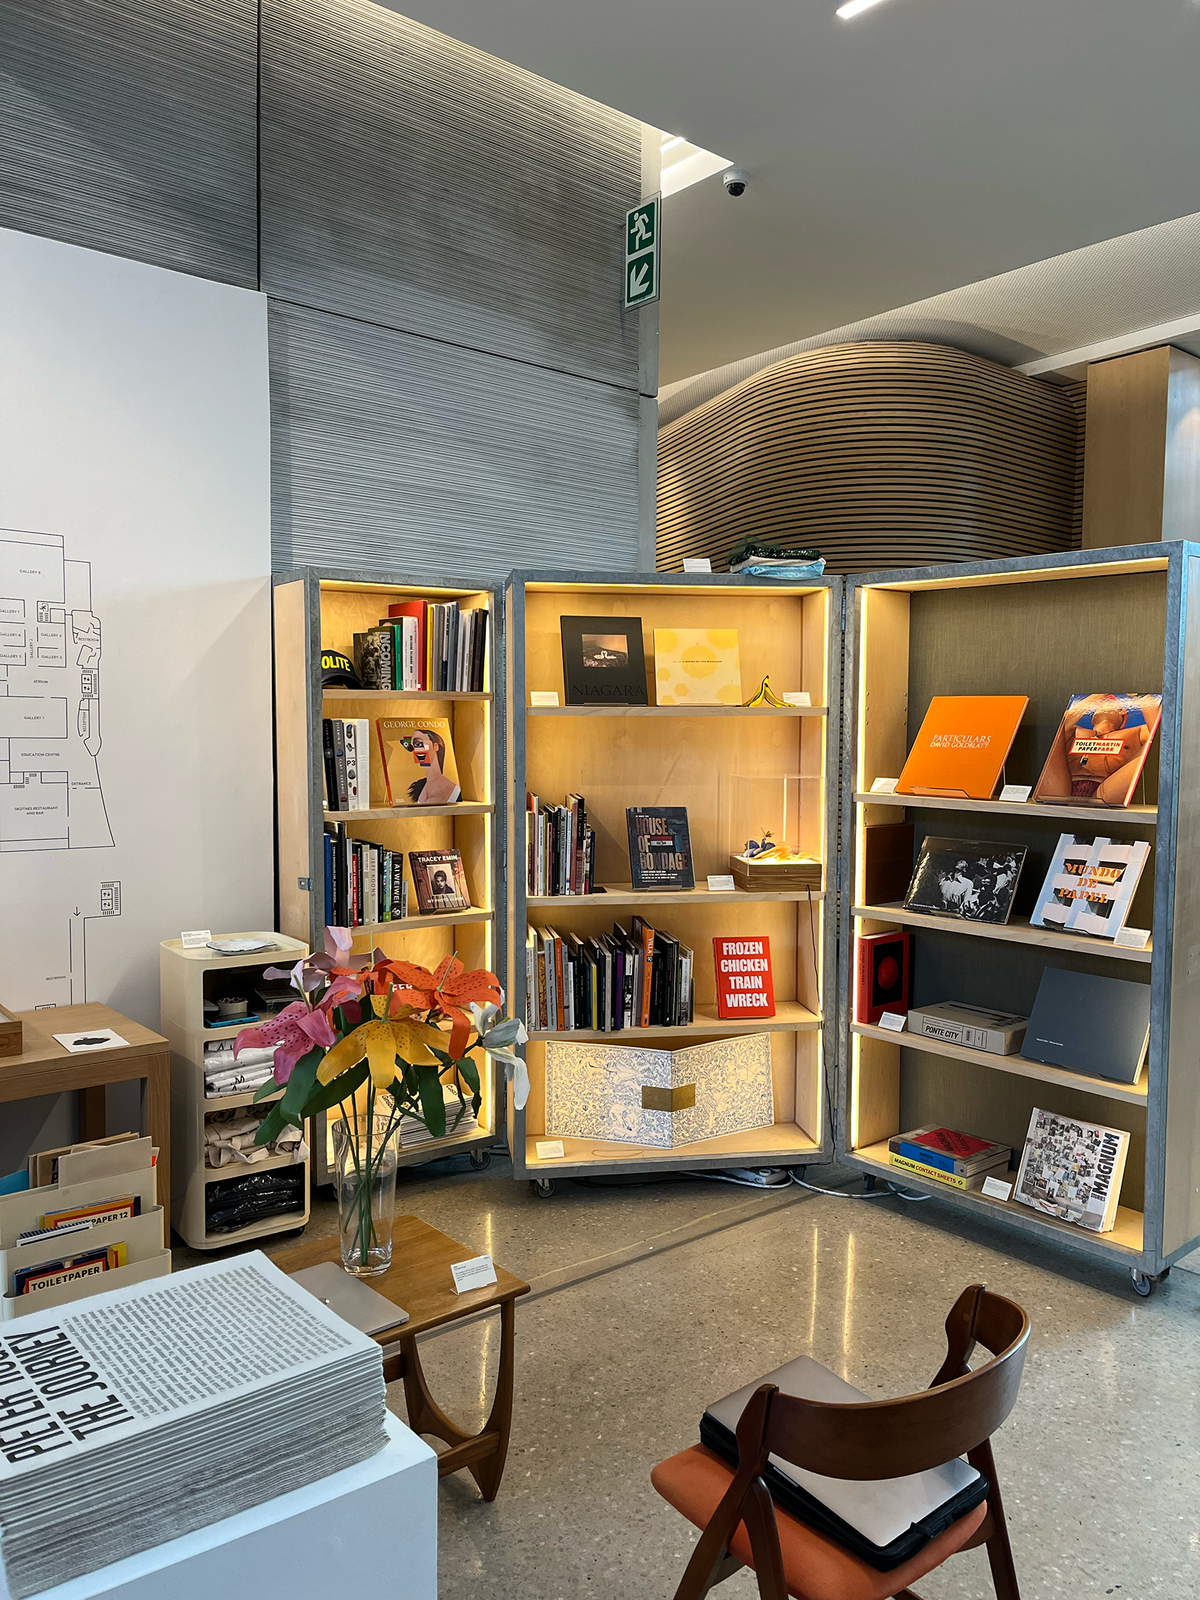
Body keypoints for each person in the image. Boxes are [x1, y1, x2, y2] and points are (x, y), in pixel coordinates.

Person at [1037, 694, 1157, 805]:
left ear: (1122, 711)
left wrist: (1138, 696)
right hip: (1060, 787)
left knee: (1154, 741)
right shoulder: (1074, 730)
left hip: (1106, 793)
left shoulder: (1136, 732)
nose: (1103, 703)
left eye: (1110, 703)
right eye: (1100, 704)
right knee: (1055, 734)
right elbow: (1062, 721)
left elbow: (1163, 736)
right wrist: (1099, 693)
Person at [403, 728, 461, 804]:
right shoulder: (419, 789)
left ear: (435, 746)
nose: (415, 750)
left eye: (418, 744)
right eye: (412, 746)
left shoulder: (455, 791)